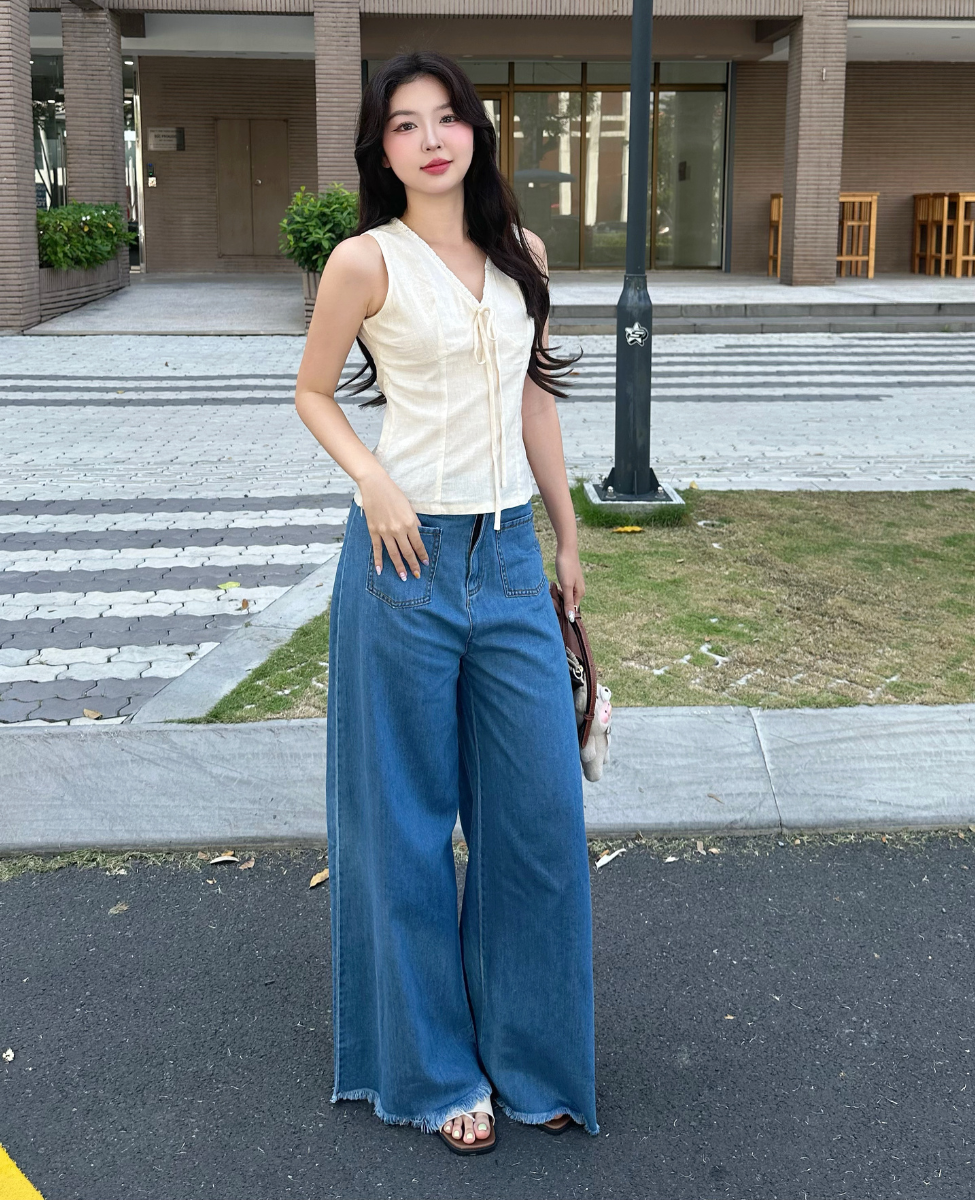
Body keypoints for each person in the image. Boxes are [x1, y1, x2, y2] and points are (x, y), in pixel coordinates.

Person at [293, 51, 598, 1155]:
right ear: (381, 151)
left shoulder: (522, 252)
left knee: (538, 824)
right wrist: (372, 480)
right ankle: (431, 1074)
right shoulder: (364, 261)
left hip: (509, 557)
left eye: (447, 118)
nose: (431, 139)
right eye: (405, 124)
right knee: (406, 826)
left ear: (475, 131)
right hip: (404, 559)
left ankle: (531, 1060)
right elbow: (313, 391)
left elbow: (535, 401)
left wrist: (567, 532)